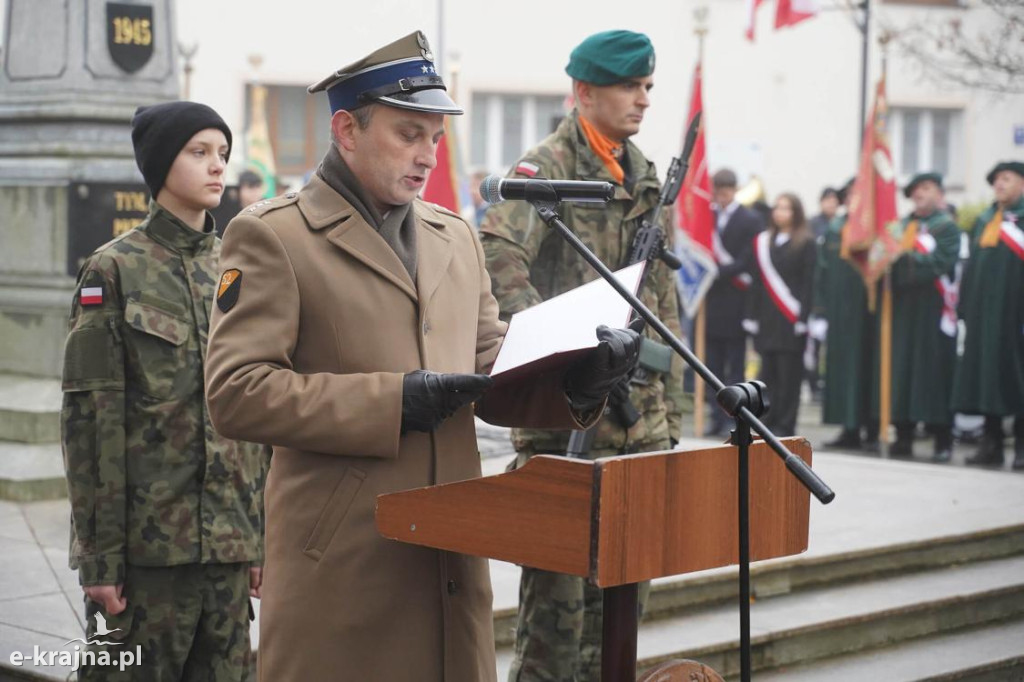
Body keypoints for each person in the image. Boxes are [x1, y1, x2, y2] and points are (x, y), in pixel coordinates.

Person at [202, 31, 642, 681]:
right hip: (347, 562)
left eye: (435, 138)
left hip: (450, 559)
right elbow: (236, 390)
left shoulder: (453, 236)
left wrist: (579, 378)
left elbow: (493, 361)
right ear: (347, 129)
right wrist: (393, 401)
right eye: (409, 134)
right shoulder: (276, 236)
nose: (427, 156)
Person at [480, 30, 684, 682]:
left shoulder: (645, 176)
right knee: (553, 633)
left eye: (649, 86)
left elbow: (662, 302)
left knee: (621, 623)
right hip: (567, 425)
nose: (644, 99)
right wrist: (560, 348)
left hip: (639, 429)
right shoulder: (544, 172)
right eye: (630, 86)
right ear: (585, 91)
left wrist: (669, 413)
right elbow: (497, 257)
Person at [60, 101, 267, 680]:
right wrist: (100, 557)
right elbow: (90, 422)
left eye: (222, 153)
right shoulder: (114, 270)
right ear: (159, 166)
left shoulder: (243, 266)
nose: (216, 167)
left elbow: (260, 409)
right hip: (147, 556)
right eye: (198, 152)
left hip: (227, 552)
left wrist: (258, 538)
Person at [953, 160, 1024, 469]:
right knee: (987, 380)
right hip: (985, 318)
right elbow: (972, 269)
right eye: (996, 180)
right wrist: (966, 306)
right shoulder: (985, 220)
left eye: (1006, 178)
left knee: (1018, 380)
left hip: (1015, 317)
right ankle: (991, 444)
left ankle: (1022, 448)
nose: (999, 184)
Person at [888, 172, 960, 462]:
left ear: (940, 194)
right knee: (903, 373)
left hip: (934, 312)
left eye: (926, 188)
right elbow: (886, 263)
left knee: (935, 375)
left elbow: (940, 262)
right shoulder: (900, 227)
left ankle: (942, 438)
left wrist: (904, 262)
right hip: (905, 311)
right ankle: (903, 435)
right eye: (915, 189)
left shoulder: (947, 228)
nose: (919, 193)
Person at [745, 193, 817, 437]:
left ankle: (786, 424)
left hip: (791, 319)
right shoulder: (765, 241)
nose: (780, 212)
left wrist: (804, 317)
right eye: (777, 207)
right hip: (767, 319)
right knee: (768, 374)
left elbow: (809, 283)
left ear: (796, 213)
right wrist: (751, 316)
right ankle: (768, 421)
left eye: (786, 208)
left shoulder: (806, 242)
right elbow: (757, 282)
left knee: (789, 377)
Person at [816, 177, 878, 449]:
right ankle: (848, 428)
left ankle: (874, 430)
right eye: (850, 193)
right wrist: (820, 310)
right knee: (843, 371)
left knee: (870, 370)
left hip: (871, 313)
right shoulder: (836, 227)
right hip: (841, 313)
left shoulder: (879, 225)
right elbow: (822, 270)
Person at [705, 168, 764, 436]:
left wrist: (717, 271)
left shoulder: (750, 219)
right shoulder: (708, 217)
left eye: (726, 191)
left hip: (738, 300)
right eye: (718, 191)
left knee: (736, 365)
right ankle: (714, 417)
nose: (722, 196)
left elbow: (748, 259)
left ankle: (735, 415)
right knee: (712, 365)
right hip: (712, 302)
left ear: (734, 189)